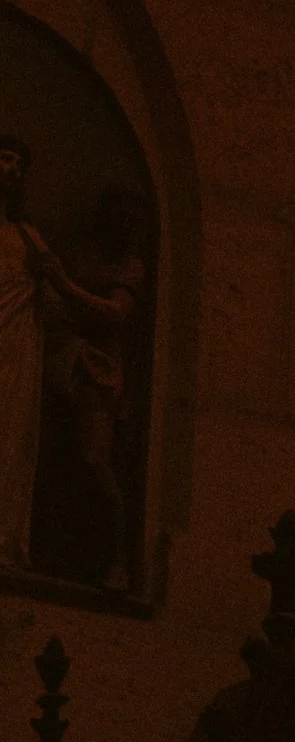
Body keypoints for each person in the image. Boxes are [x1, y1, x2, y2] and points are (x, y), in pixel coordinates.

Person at [34, 185, 149, 588]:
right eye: (117, 213)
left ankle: (116, 556)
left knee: (93, 459)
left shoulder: (130, 266)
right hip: (61, 360)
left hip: (97, 373)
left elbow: (116, 313)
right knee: (47, 454)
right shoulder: (79, 254)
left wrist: (64, 285)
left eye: (130, 218)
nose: (123, 223)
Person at [0, 132, 46, 569]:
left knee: (9, 439)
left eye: (18, 163)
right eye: (5, 158)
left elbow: (54, 291)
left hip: (15, 346)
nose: (11, 169)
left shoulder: (27, 235)